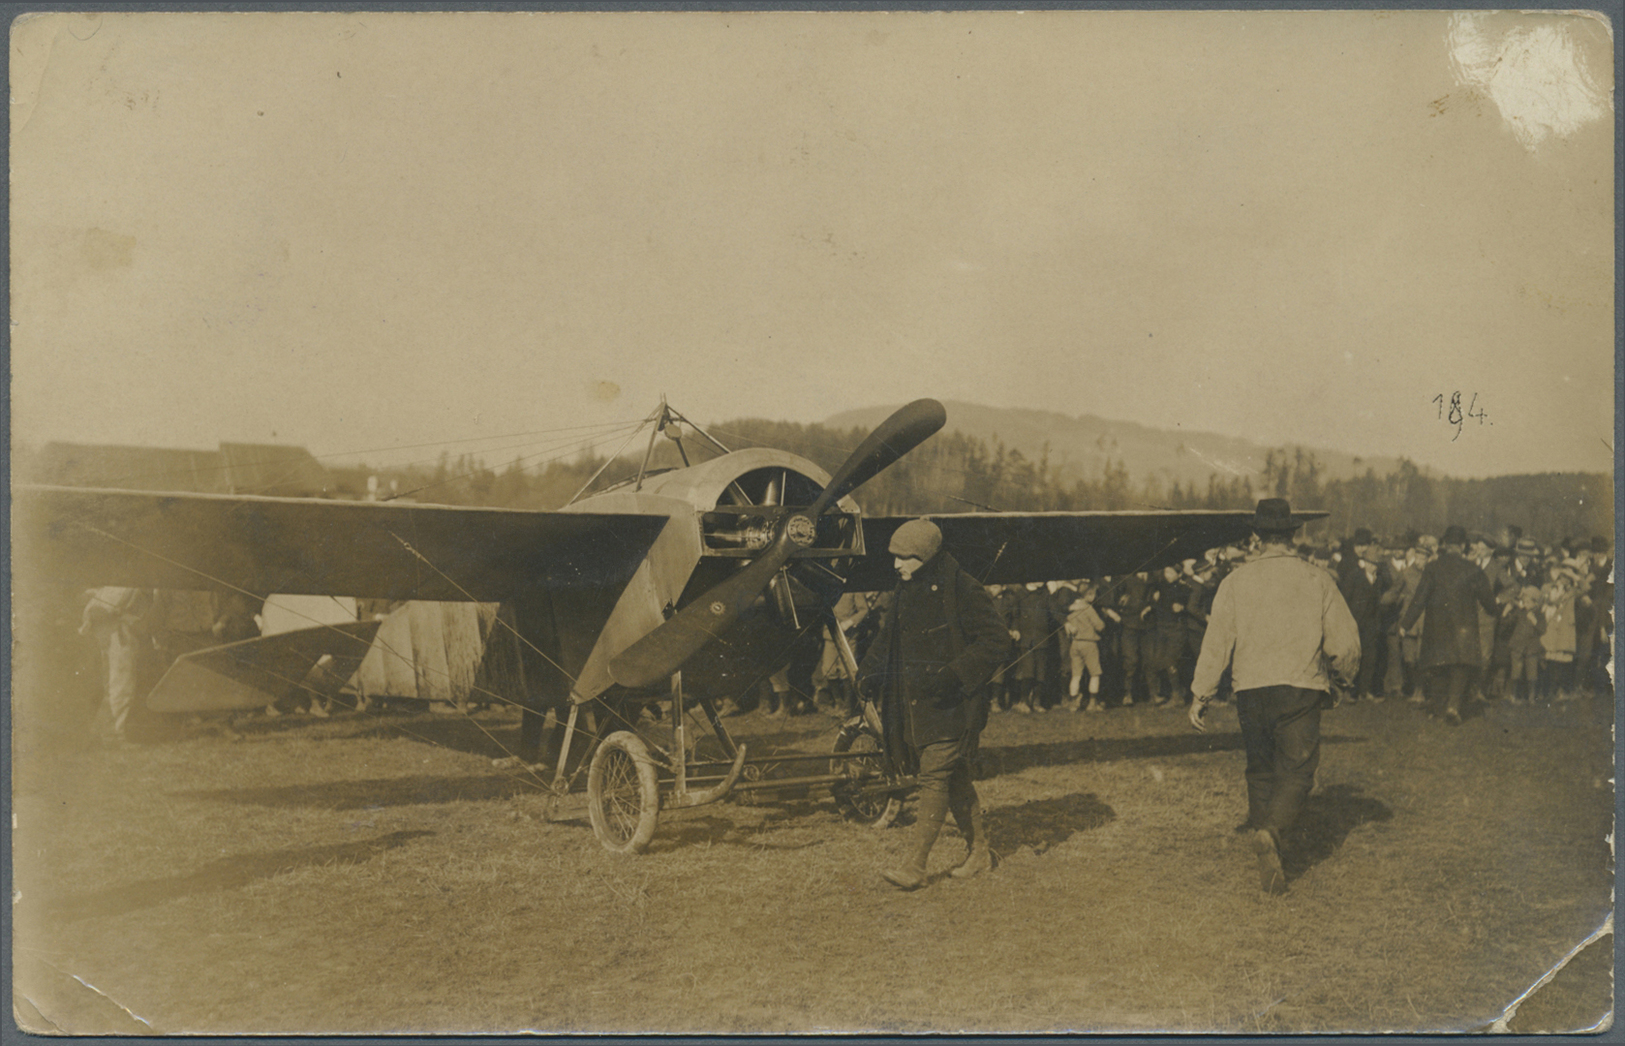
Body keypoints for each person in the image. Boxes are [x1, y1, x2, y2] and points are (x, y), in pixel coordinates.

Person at [1188, 499, 1361, 896]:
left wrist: (1201, 694)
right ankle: (1271, 833)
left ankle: (1266, 843)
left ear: (1256, 536)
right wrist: (1342, 681)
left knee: (1260, 768)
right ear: (1294, 535)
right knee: (1298, 771)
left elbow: (1216, 642)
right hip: (1301, 686)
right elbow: (1346, 642)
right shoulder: (1318, 579)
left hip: (1250, 689)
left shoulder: (1235, 581)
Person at [858, 518, 1011, 890]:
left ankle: (915, 866)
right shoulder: (906, 588)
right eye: (894, 558)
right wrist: (868, 673)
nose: (896, 565)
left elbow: (996, 641)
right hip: (916, 707)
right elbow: (886, 638)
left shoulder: (962, 587)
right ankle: (979, 855)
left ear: (925, 555)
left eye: (905, 558)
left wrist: (953, 675)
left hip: (954, 704)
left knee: (934, 776)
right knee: (954, 779)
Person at [1398, 525, 1497, 725]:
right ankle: (1453, 706)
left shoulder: (1433, 568)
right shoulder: (1473, 569)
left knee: (1439, 666)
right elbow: (1488, 600)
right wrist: (1495, 609)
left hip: (1437, 628)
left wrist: (1405, 623)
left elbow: (1420, 598)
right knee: (1460, 666)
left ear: (1445, 544)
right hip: (1464, 629)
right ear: (1463, 546)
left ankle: (1439, 708)